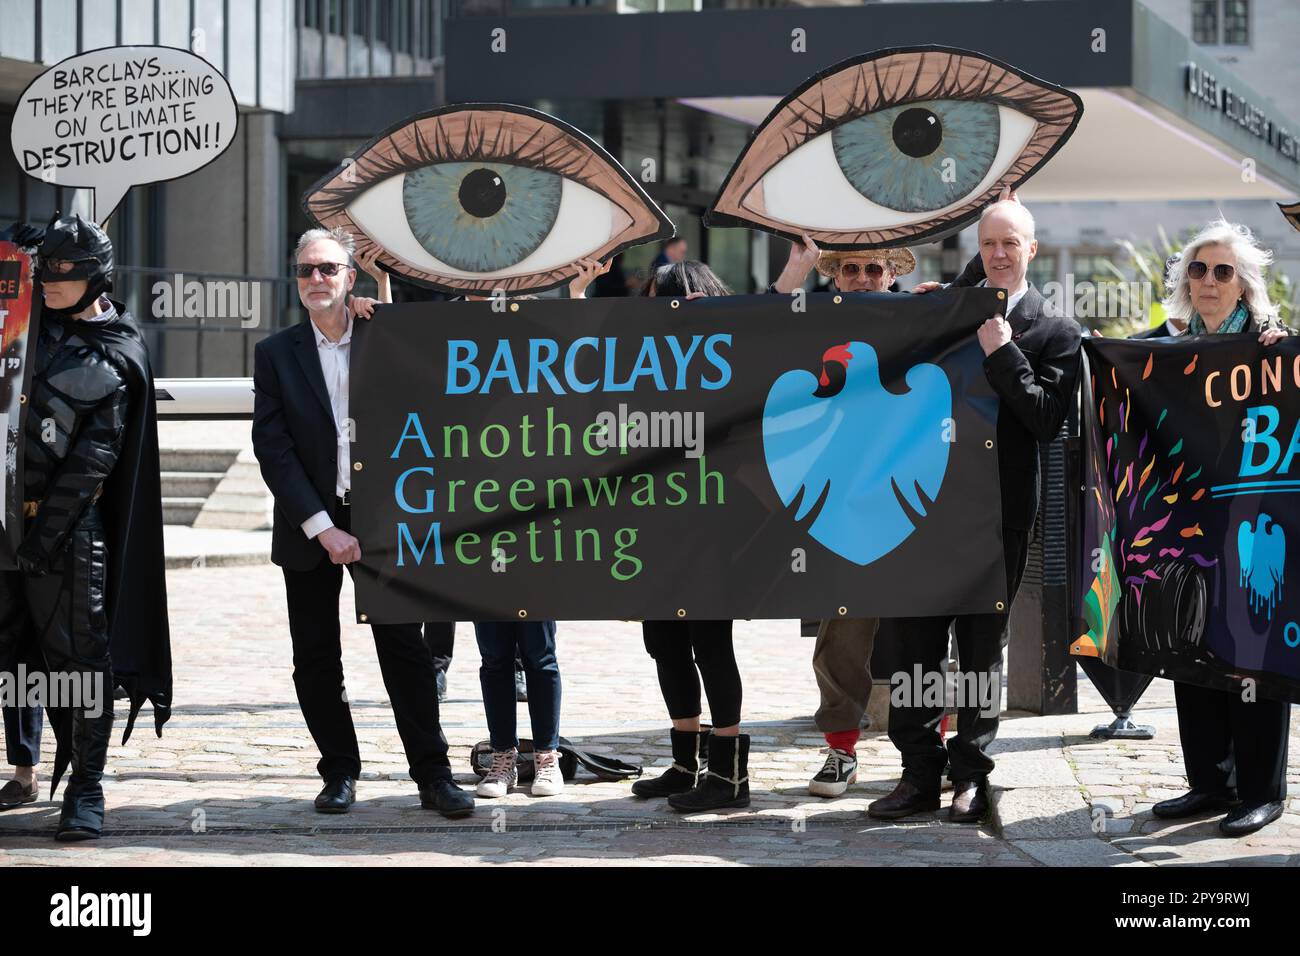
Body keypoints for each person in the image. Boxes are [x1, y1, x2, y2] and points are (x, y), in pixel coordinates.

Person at [869, 199, 1083, 822]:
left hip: (997, 519)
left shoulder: (1056, 330)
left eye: (1010, 243)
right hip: (925, 511)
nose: (998, 254)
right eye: (989, 243)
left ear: (1031, 250)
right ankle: (917, 775)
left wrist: (1004, 352)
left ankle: (970, 776)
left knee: (980, 650)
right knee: (913, 645)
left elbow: (1045, 421)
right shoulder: (948, 312)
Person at [252, 226, 473, 818]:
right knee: (316, 654)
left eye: (328, 269)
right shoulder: (275, 354)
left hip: (383, 517)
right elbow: (273, 449)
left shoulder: (384, 334)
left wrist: (388, 308)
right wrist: (323, 528)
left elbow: (442, 374)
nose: (316, 279)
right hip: (310, 525)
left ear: (351, 277)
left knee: (405, 648)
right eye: (306, 271)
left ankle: (433, 775)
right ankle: (339, 772)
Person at [767, 235, 986, 798]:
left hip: (912, 508)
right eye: (850, 269)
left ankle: (931, 753)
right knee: (842, 635)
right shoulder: (809, 320)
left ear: (891, 272)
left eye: (872, 268)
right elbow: (756, 333)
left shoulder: (922, 314)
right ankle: (840, 751)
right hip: (843, 508)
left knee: (926, 637)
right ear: (835, 275)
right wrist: (793, 274)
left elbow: (984, 301)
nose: (861, 278)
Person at [0, 214, 172, 840]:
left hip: (69, 535)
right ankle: (23, 766)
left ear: (95, 276)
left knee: (79, 661)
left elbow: (96, 455)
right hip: (3, 524)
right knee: (14, 660)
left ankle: (85, 787)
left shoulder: (116, 346)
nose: (49, 281)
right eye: (44, 270)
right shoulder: (21, 324)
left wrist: (46, 535)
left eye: (62, 273)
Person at [1147, 220, 1291, 837]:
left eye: (1223, 271)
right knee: (1194, 651)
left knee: (1254, 656)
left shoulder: (1273, 349)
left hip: (1258, 531)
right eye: (1198, 270)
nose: (1208, 281)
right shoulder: (1170, 349)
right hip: (1189, 529)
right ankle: (1209, 782)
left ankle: (1262, 791)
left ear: (1244, 284)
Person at [601, 261, 750, 812]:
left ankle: (730, 775)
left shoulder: (730, 358)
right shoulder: (642, 360)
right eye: (664, 298)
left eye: (688, 298)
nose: (675, 307)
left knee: (711, 642)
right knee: (664, 642)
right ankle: (687, 762)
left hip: (713, 525)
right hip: (656, 522)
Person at [353, 248, 529, 706]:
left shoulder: (517, 319)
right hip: (447, 464)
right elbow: (392, 340)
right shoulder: (440, 321)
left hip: (504, 466)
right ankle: (437, 664)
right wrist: (380, 283)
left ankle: (514, 665)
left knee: (502, 568)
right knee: (442, 568)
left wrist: (576, 290)